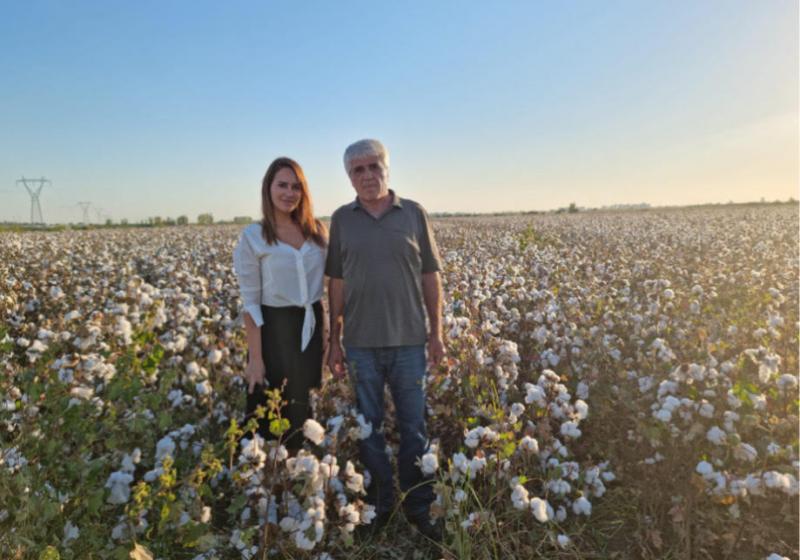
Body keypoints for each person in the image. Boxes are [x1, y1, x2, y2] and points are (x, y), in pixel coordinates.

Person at [325, 139, 444, 540]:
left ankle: (419, 504)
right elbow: (336, 282)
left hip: (410, 341)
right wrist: (333, 339)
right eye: (357, 170)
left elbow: (431, 277)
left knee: (414, 427)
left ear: (387, 169)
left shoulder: (412, 213)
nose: (367, 176)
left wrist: (437, 334)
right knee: (367, 427)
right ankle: (378, 503)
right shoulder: (342, 219)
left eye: (373, 166)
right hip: (360, 343)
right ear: (349, 177)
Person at [233, 157, 327, 452]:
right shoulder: (253, 236)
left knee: (301, 402)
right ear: (268, 189)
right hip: (273, 330)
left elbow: (331, 285)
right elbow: (251, 302)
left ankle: (299, 468)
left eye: (296, 186)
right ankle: (262, 478)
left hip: (311, 324)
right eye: (282, 185)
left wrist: (329, 339)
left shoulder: (317, 231)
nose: (289, 193)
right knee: (270, 404)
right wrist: (256, 359)